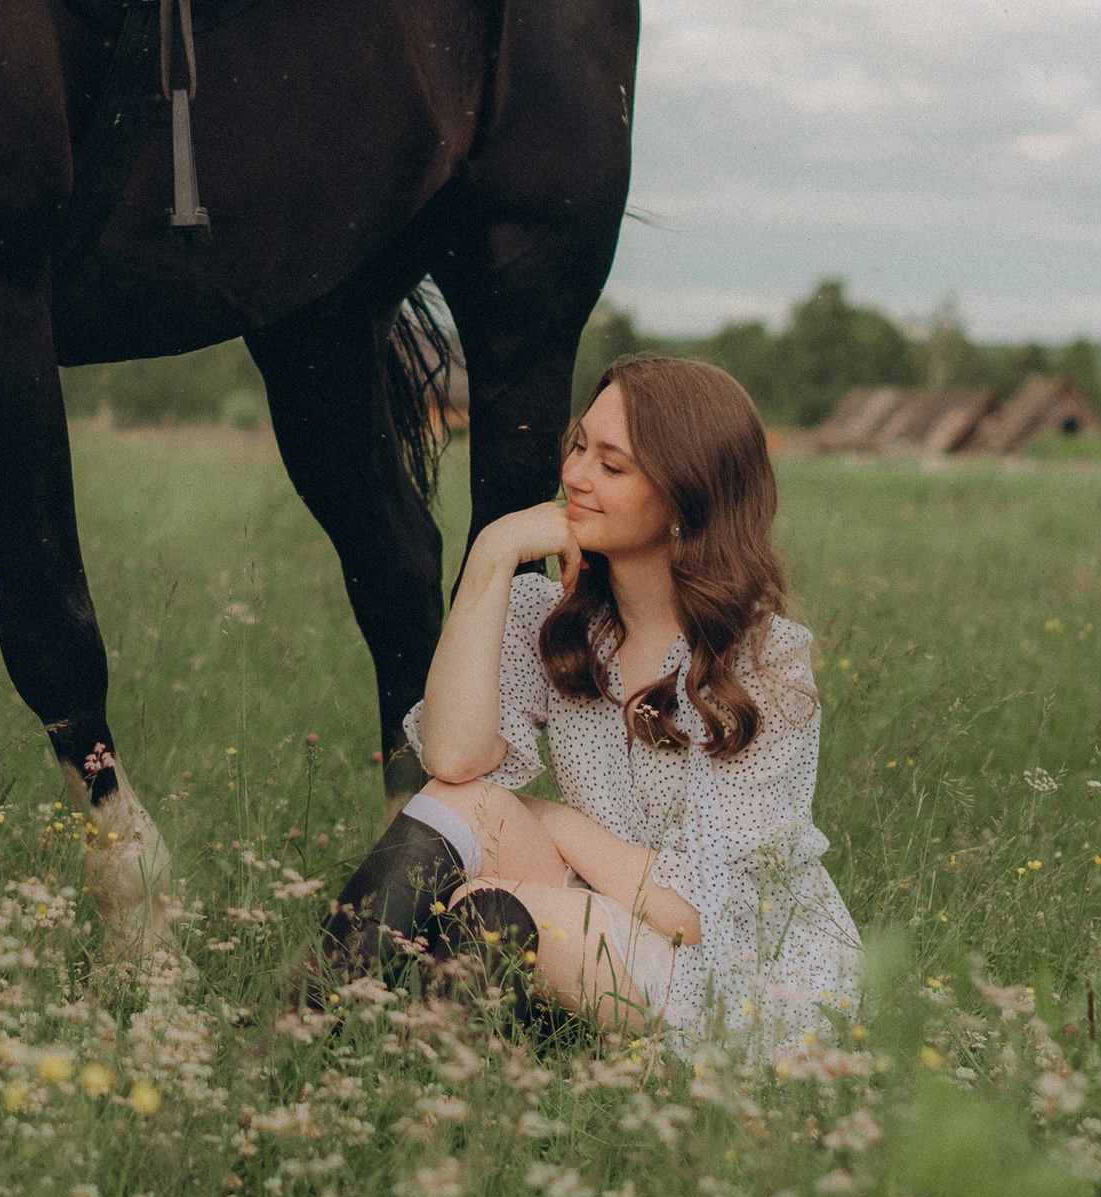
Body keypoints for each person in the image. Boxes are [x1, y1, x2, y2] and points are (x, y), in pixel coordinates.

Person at [318, 356, 862, 1044]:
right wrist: (494, 550)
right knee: (471, 810)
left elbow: (701, 914)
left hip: (740, 969)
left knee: (494, 907)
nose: (575, 476)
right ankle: (308, 1028)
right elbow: (455, 760)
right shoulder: (556, 616)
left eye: (613, 465)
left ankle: (426, 1089)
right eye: (579, 447)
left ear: (685, 497)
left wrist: (557, 825)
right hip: (607, 910)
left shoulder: (761, 662)